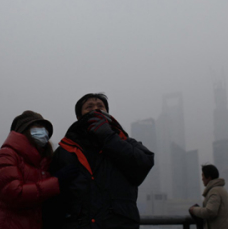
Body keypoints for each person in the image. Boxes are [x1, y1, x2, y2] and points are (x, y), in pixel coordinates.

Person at [45, 93, 154, 229]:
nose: (95, 110)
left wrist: (107, 136)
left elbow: (143, 165)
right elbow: (52, 199)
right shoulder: (65, 151)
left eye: (100, 106)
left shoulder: (126, 142)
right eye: (89, 107)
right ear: (79, 117)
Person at [0, 110, 74, 229]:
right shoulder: (7, 155)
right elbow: (15, 194)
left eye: (44, 128)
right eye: (37, 127)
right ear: (24, 130)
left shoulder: (43, 160)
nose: (43, 132)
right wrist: (56, 182)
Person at [189, 164, 228, 229]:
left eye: (202, 175)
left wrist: (193, 210)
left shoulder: (214, 191)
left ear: (208, 177)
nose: (202, 178)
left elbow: (210, 212)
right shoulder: (219, 189)